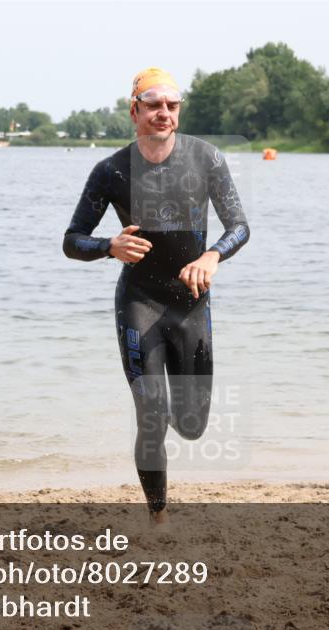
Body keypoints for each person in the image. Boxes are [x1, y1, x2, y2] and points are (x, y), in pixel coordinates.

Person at [63, 68, 250, 525]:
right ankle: (158, 516)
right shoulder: (110, 171)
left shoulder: (207, 159)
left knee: (190, 425)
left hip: (191, 304)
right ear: (134, 111)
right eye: (153, 104)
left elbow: (240, 227)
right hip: (139, 301)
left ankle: (167, 416)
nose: (163, 112)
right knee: (150, 410)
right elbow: (72, 240)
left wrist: (212, 256)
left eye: (171, 104)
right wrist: (109, 246)